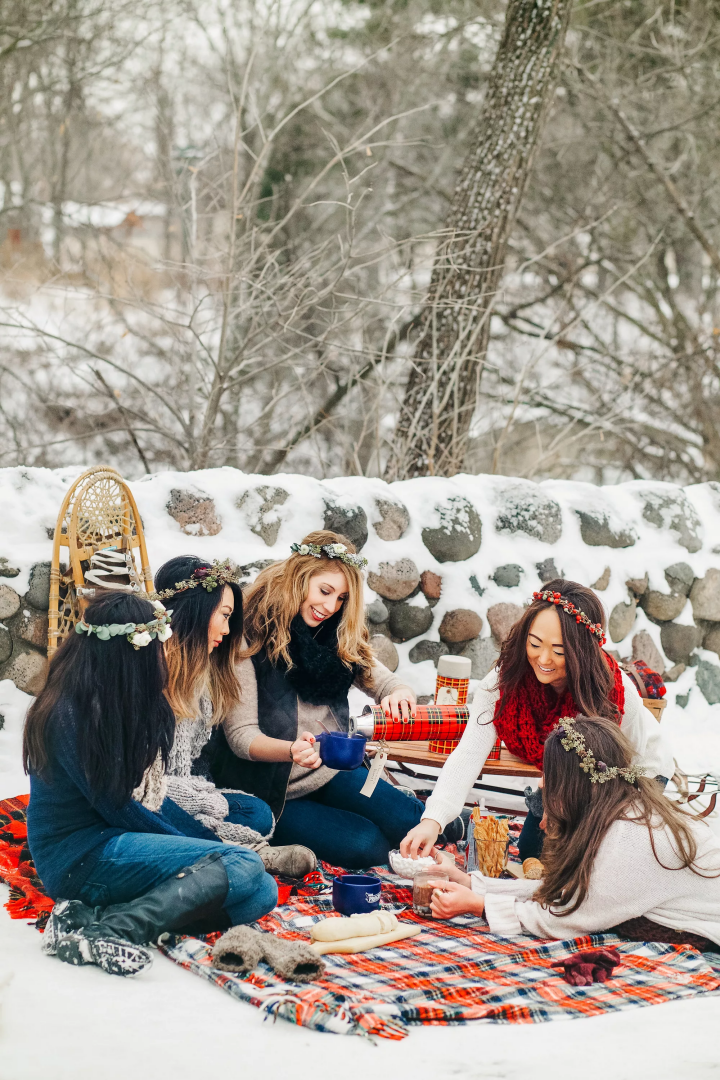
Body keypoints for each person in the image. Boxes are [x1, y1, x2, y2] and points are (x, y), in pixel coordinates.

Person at [24, 592, 277, 977]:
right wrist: (211, 854)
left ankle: (93, 917)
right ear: (129, 654)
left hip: (113, 841)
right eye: (157, 647)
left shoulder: (118, 699)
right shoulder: (68, 713)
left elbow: (150, 798)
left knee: (261, 892)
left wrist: (207, 848)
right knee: (241, 864)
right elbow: (124, 808)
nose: (162, 657)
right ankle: (114, 930)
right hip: (79, 858)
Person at [209, 531, 456, 868]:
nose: (330, 606)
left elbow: (383, 679)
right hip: (273, 790)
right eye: (325, 591)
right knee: (367, 846)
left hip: (331, 770)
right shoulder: (248, 637)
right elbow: (242, 737)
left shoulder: (334, 633)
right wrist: (292, 749)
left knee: (408, 823)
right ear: (299, 578)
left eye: (341, 598)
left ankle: (448, 820)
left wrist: (400, 692)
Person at [401, 579, 675, 862]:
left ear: (581, 651)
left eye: (559, 651)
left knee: (588, 859)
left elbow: (625, 769)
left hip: (632, 776)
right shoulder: (503, 683)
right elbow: (469, 752)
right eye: (535, 643)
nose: (544, 658)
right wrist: (432, 820)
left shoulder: (610, 692)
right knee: (535, 851)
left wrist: (569, 807)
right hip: (562, 777)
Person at [423, 715, 720, 951]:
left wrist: (480, 906)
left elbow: (568, 916)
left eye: (548, 777)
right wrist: (472, 884)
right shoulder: (615, 810)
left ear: (571, 787)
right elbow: (565, 894)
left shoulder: (631, 838)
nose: (542, 786)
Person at [154, 555, 316, 877]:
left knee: (257, 814)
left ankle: (216, 844)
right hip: (144, 796)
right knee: (164, 812)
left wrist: (207, 799)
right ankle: (247, 852)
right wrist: (206, 802)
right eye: (224, 615)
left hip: (187, 791)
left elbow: (191, 768)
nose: (228, 630)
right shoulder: (149, 671)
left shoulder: (201, 674)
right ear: (197, 611)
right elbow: (141, 784)